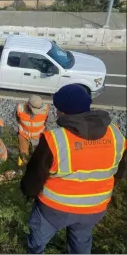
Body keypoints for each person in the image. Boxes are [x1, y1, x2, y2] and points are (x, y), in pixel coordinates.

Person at [20, 84, 127, 254]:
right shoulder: (115, 134)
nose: (55, 112)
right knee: (81, 241)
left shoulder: (54, 139)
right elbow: (120, 171)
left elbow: (34, 178)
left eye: (57, 108)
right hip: (95, 207)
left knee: (38, 238)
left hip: (54, 208)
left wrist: (28, 193)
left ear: (63, 111)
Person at [16, 95, 49, 166]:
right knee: (23, 154)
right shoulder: (20, 108)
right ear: (28, 104)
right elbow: (16, 119)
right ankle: (22, 168)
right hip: (24, 134)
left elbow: (47, 122)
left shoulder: (46, 110)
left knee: (39, 154)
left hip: (38, 135)